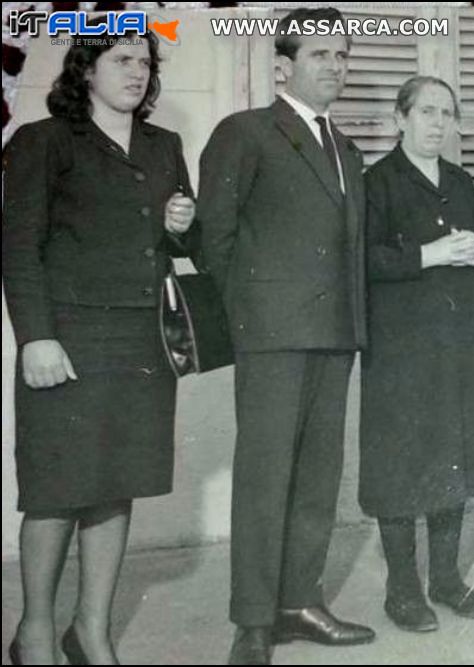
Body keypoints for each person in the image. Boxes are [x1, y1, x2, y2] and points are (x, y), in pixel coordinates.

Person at [2, 30, 196, 665]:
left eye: (145, 62)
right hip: (68, 339)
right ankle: (33, 634)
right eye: (122, 61)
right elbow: (20, 248)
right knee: (58, 489)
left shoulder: (164, 146)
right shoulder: (43, 141)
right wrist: (36, 338)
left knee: (117, 484)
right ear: (86, 70)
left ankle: (90, 632)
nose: (137, 73)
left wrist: (183, 227)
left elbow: (176, 246)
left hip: (140, 340)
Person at [198, 7, 374, 664]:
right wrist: (248, 318)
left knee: (316, 479)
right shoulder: (244, 132)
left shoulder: (346, 146)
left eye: (342, 55)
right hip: (272, 334)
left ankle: (299, 601)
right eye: (320, 54)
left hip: (335, 334)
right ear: (283, 67)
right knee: (265, 476)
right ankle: (252, 620)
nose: (335, 65)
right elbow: (213, 237)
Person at [359, 76, 474, 632]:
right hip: (402, 347)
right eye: (426, 112)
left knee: (456, 458)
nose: (438, 123)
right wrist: (430, 253)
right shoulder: (375, 181)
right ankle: (402, 590)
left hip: (464, 341)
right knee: (401, 465)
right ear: (400, 119)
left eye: (447, 113)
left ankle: (445, 580)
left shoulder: (458, 178)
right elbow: (362, 260)